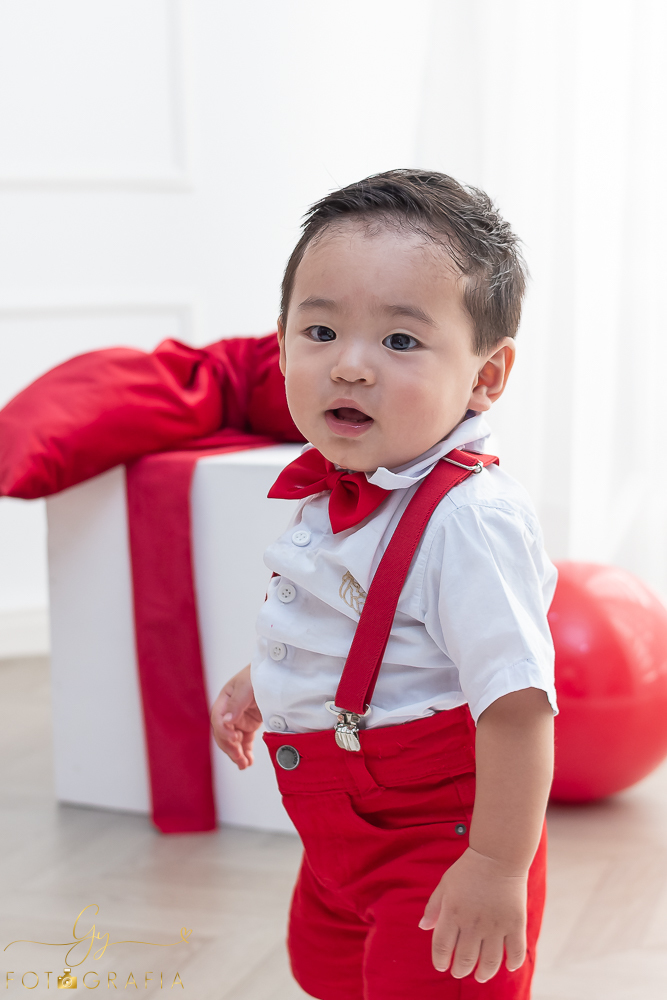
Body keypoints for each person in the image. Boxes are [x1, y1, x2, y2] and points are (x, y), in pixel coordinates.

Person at [210, 169, 557, 999]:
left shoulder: (468, 521)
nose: (350, 367)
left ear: (485, 376)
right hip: (336, 836)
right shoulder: (342, 480)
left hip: (441, 839)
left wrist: (494, 865)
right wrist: (266, 680)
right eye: (320, 330)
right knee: (329, 974)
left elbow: (516, 708)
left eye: (400, 342)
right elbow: (352, 618)